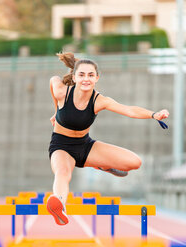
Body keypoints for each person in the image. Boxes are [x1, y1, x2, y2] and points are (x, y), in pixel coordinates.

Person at [47, 52, 169, 225]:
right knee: (63, 172)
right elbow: (53, 80)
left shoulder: (99, 100)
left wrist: (154, 115)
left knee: (134, 163)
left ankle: (103, 165)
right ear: (74, 77)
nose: (86, 79)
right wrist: (56, 110)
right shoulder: (62, 93)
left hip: (85, 146)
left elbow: (130, 110)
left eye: (90, 75)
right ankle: (59, 205)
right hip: (61, 146)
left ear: (97, 78)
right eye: (81, 75)